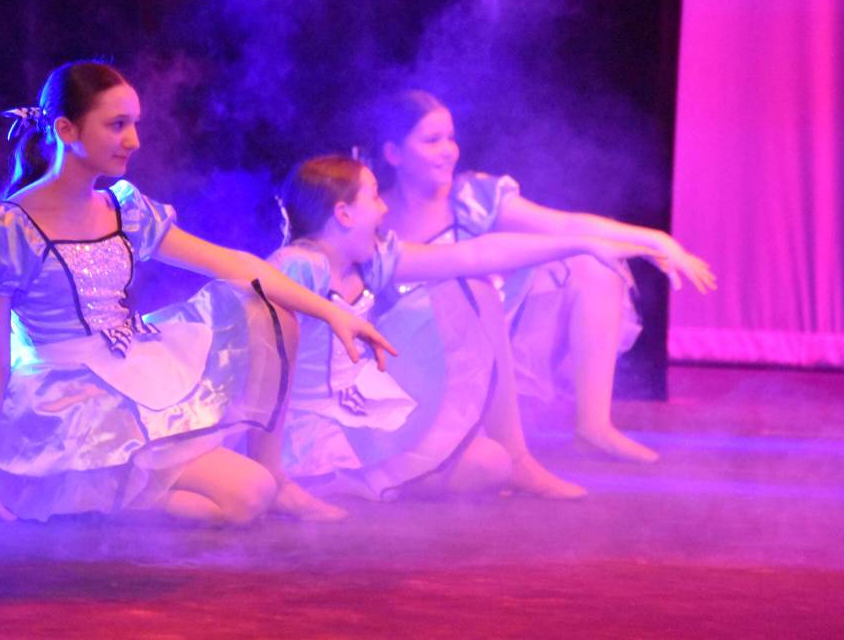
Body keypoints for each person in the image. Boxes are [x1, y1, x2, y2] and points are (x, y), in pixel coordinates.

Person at [0, 61, 392, 525]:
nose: (134, 140)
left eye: (135, 124)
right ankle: (78, 496)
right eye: (117, 125)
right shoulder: (6, 228)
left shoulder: (126, 210)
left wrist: (334, 315)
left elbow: (240, 265)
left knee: (268, 313)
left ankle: (264, 475)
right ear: (67, 129)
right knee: (246, 500)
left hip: (134, 369)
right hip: (66, 402)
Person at [272, 155, 660, 501]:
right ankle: (339, 482)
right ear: (344, 214)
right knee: (470, 289)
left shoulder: (373, 260)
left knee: (491, 464)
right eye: (373, 197)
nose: (383, 207)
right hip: (310, 438)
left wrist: (582, 246)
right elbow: (248, 347)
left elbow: (476, 253)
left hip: (363, 418)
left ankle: (509, 457)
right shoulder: (297, 265)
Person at [373, 90, 716, 464]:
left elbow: (563, 224)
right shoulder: (372, 214)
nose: (448, 151)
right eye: (432, 140)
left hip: (489, 350)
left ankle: (593, 427)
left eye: (451, 138)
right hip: (411, 366)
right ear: (393, 153)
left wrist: (653, 238)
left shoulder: (471, 197)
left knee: (591, 266)